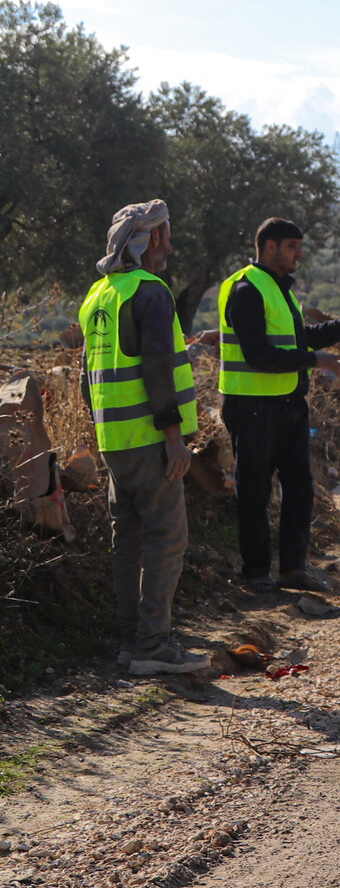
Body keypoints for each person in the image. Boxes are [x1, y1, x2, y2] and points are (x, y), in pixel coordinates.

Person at [78, 200, 210, 675]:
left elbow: (85, 377)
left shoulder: (97, 296)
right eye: (167, 234)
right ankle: (153, 646)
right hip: (150, 440)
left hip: (113, 441)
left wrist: (100, 436)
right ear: (153, 238)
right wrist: (174, 439)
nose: (170, 244)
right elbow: (157, 368)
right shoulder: (151, 293)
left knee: (126, 541)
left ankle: (132, 644)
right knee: (166, 538)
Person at [216, 217, 340, 594]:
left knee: (299, 487)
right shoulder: (247, 290)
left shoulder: (280, 290)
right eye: (292, 246)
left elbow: (300, 339)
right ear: (269, 247)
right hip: (252, 407)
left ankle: (293, 570)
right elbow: (259, 356)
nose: (299, 254)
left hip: (288, 405)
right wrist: (316, 361)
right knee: (254, 492)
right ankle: (256, 574)